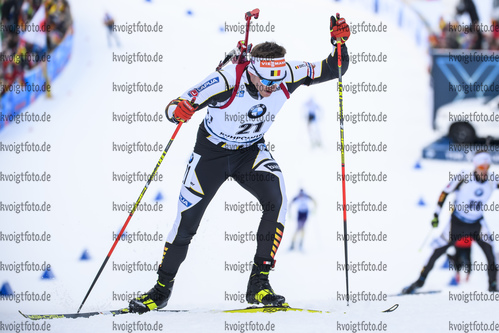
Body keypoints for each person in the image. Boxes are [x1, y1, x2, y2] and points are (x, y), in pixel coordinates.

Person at [127, 15, 351, 313]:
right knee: (186, 224)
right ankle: (161, 290)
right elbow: (173, 108)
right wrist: (179, 110)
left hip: (250, 153)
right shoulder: (226, 79)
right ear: (252, 72)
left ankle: (258, 283)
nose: (273, 87)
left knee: (277, 200)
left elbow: (333, 68)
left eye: (277, 80)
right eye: (266, 81)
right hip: (211, 155)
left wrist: (340, 45)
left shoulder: (288, 72)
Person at [402, 151, 499, 294]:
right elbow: (444, 192)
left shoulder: (493, 179)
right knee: (436, 253)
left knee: (490, 254)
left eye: (486, 167)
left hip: (477, 224)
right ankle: (419, 282)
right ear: (475, 166)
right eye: (481, 167)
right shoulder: (464, 176)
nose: (484, 171)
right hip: (457, 223)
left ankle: (493, 286)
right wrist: (436, 214)